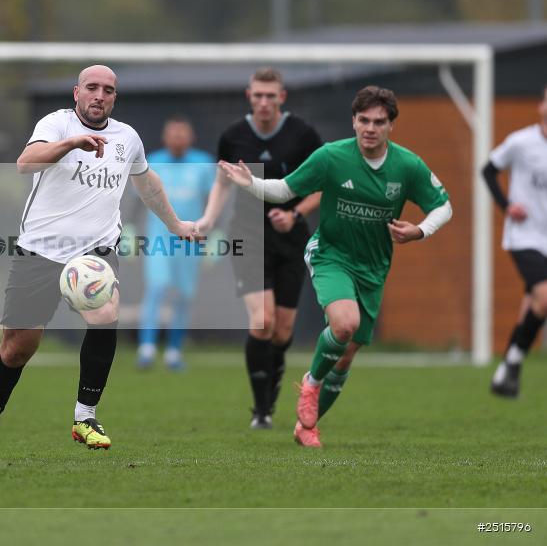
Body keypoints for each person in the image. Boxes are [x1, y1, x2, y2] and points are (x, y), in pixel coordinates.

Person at [0, 65, 200, 460]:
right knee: (17, 348)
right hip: (40, 251)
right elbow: (26, 162)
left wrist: (175, 225)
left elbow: (148, 184)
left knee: (106, 312)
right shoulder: (56, 124)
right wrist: (71, 144)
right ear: (77, 93)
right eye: (92, 87)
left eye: (108, 90)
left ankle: (85, 417)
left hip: (96, 253)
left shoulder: (128, 138)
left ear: (114, 98)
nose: (99, 95)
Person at [219, 85, 452, 447]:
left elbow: (444, 206)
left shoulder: (407, 165)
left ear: (391, 125)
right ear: (354, 121)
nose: (370, 128)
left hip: (374, 267)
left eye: (379, 121)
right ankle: (310, 384)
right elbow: (285, 190)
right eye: (363, 120)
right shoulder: (331, 156)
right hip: (331, 255)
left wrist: (421, 230)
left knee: (346, 356)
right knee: (345, 325)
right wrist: (251, 183)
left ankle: (306, 428)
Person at [197, 67, 322, 429]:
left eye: (272, 95)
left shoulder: (302, 135)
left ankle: (271, 394)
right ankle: (261, 409)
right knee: (262, 320)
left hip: (291, 238)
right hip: (248, 235)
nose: (264, 102)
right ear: (249, 96)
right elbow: (222, 184)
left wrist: (296, 212)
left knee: (282, 332)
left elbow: (321, 185)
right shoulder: (234, 137)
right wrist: (208, 220)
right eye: (258, 95)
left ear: (282, 97)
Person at [135, 116, 215, 371]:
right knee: (157, 287)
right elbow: (136, 199)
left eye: (183, 133)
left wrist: (217, 233)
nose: (178, 138)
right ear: (165, 137)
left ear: (190, 137)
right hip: (158, 238)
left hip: (191, 239)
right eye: (173, 133)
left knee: (183, 294)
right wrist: (128, 229)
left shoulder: (203, 164)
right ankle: (146, 349)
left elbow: (214, 201)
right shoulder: (153, 162)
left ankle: (173, 352)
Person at [483, 87, 547, 398]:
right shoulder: (522, 142)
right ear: (541, 106)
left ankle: (507, 369)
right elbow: (489, 170)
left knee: (534, 305)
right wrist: (507, 206)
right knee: (545, 298)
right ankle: (512, 363)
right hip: (524, 236)